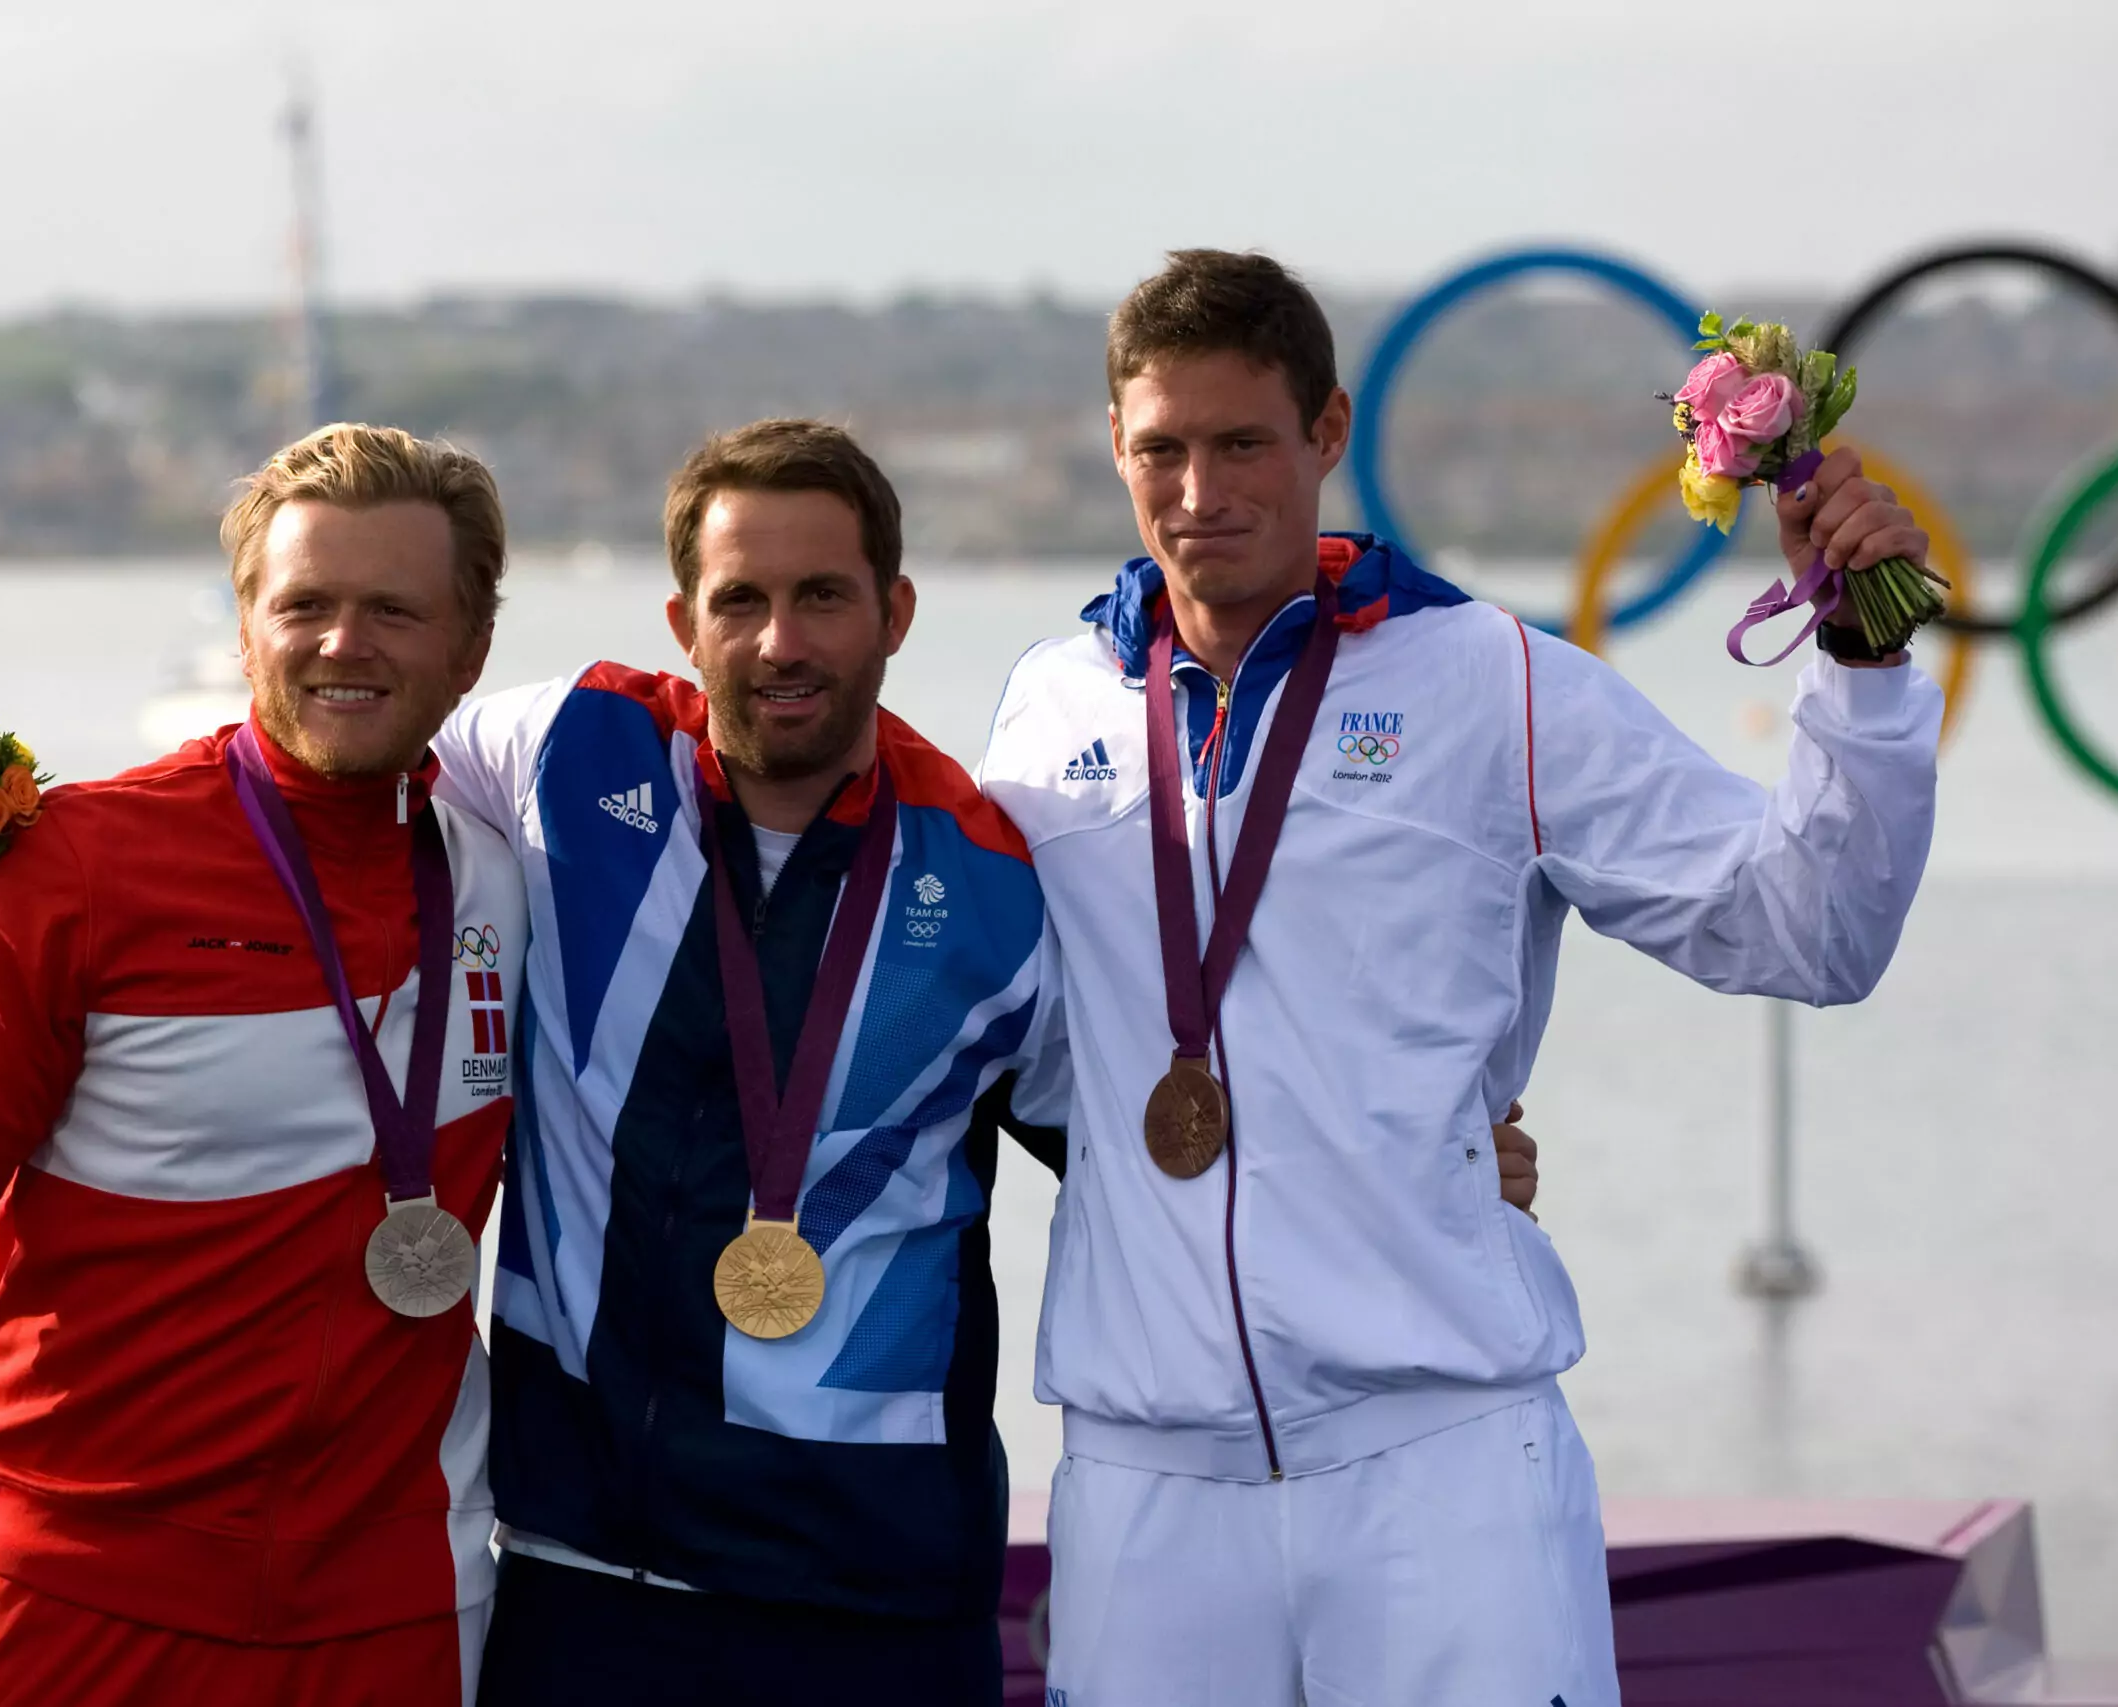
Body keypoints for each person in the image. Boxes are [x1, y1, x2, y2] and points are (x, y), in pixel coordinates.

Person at [432, 418, 1542, 1706]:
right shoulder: (564, 755)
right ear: (684, 622)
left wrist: (1427, 1156)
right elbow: (331, 780)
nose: (782, 642)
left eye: (824, 598)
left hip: (876, 1606)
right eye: (741, 601)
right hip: (581, 1586)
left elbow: (1169, 1148)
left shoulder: (997, 880)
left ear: (896, 612)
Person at [976, 249, 1943, 1705]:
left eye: (1242, 442)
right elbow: (1025, 1045)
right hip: (1143, 1476)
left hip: (1438, 1465)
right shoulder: (1047, 711)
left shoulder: (1490, 681)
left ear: (1326, 432)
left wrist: (1861, 666)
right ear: (1114, 442)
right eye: (1161, 448)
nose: (1198, 490)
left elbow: (1809, 928)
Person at [0, 425, 527, 1707]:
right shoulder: (73, 871)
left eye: (393, 610)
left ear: (470, 647)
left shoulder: (510, 876)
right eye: (302, 604)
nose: (341, 643)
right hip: (85, 1594)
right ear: (246, 624)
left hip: (402, 1608)